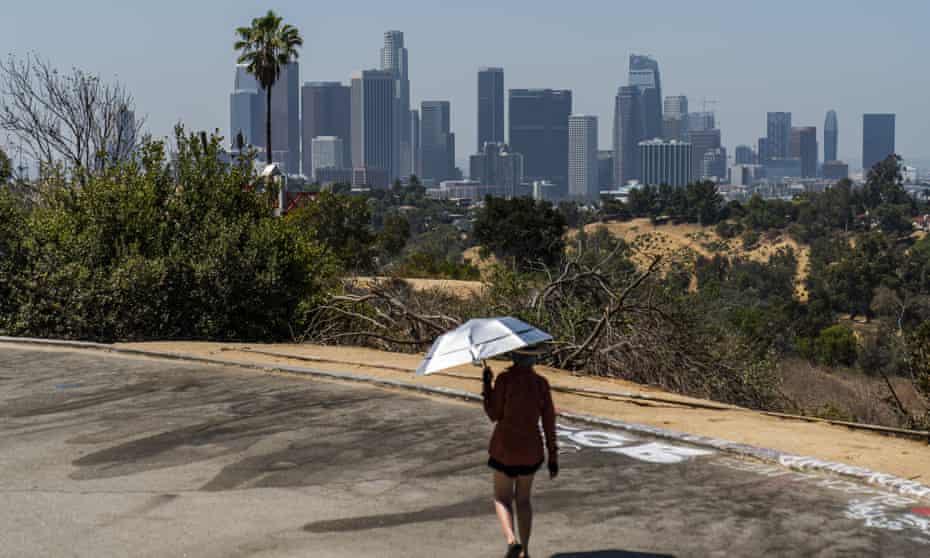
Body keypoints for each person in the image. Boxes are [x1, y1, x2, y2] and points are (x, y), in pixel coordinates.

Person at [481, 348, 558, 558]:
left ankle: (511, 540)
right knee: (523, 500)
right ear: (534, 358)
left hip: (504, 448)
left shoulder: (505, 380)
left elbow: (494, 414)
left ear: (513, 357)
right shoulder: (541, 384)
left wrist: (487, 385)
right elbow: (549, 422)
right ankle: (525, 550)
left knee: (501, 498)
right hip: (530, 450)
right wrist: (553, 456)